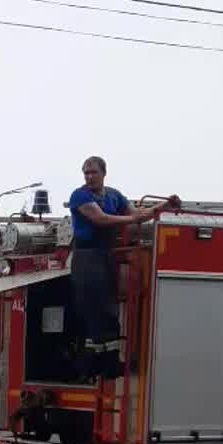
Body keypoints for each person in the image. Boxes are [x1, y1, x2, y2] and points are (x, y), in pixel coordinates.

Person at [69, 156, 162, 378]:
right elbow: (101, 220)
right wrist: (130, 220)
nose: (89, 177)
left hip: (105, 256)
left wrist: (165, 205)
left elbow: (137, 215)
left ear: (103, 173)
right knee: (94, 310)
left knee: (109, 311)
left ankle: (108, 362)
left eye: (93, 172)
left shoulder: (113, 195)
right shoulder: (80, 195)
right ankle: (94, 364)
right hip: (86, 258)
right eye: (86, 173)